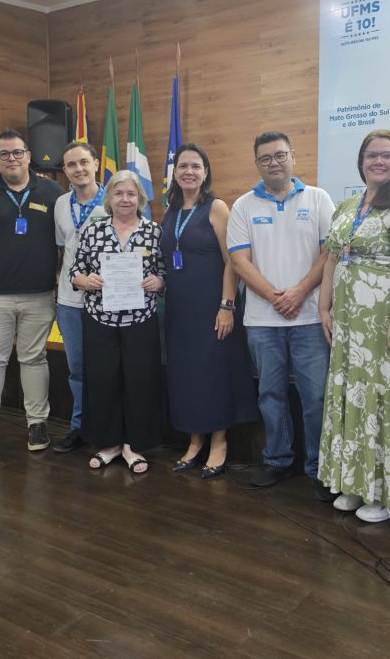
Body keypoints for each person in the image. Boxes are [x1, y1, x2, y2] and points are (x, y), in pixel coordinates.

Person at [317, 130, 390, 522]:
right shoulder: (349, 205)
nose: (379, 161)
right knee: (354, 397)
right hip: (351, 327)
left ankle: (385, 493)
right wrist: (324, 306)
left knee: (384, 400)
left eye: (388, 155)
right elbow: (332, 257)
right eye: (372, 155)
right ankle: (355, 483)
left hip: (389, 326)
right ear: (361, 161)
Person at [228, 131, 335, 498]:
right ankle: (277, 459)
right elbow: (239, 261)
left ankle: (319, 466)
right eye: (265, 158)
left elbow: (329, 254)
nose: (273, 163)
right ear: (257, 164)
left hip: (309, 318)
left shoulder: (318, 198)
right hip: (262, 320)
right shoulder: (243, 206)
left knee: (316, 396)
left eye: (279, 155)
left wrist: (300, 291)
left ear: (293, 157)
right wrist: (276, 297)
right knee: (270, 394)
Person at [0, 129, 63, 455]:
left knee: (34, 358)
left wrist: (60, 276)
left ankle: (37, 423)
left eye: (17, 152)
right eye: (3, 154)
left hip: (40, 295)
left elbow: (66, 240)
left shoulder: (53, 191)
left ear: (28, 156)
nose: (11, 159)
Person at [161, 144, 258, 479]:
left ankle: (219, 442)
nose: (189, 171)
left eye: (196, 166)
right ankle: (194, 441)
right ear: (175, 172)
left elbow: (233, 261)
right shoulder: (171, 210)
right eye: (183, 166)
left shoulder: (216, 207)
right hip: (179, 310)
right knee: (186, 375)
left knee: (214, 374)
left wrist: (226, 306)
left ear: (205, 172)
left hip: (213, 307)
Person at [69, 170, 165, 473]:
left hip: (140, 320)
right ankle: (109, 443)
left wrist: (158, 282)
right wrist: (86, 280)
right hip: (100, 320)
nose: (125, 199)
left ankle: (133, 445)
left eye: (131, 194)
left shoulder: (154, 231)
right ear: (109, 198)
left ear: (140, 199)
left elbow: (164, 272)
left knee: (139, 381)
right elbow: (75, 271)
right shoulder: (93, 230)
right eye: (119, 193)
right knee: (103, 380)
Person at [52, 141, 106, 454]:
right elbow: (64, 250)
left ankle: (108, 427)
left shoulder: (113, 201)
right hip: (70, 302)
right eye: (71, 164)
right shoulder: (61, 204)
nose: (79, 169)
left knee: (106, 367)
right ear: (65, 170)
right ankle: (80, 426)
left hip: (107, 302)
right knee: (77, 368)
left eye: (84, 162)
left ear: (96, 164)